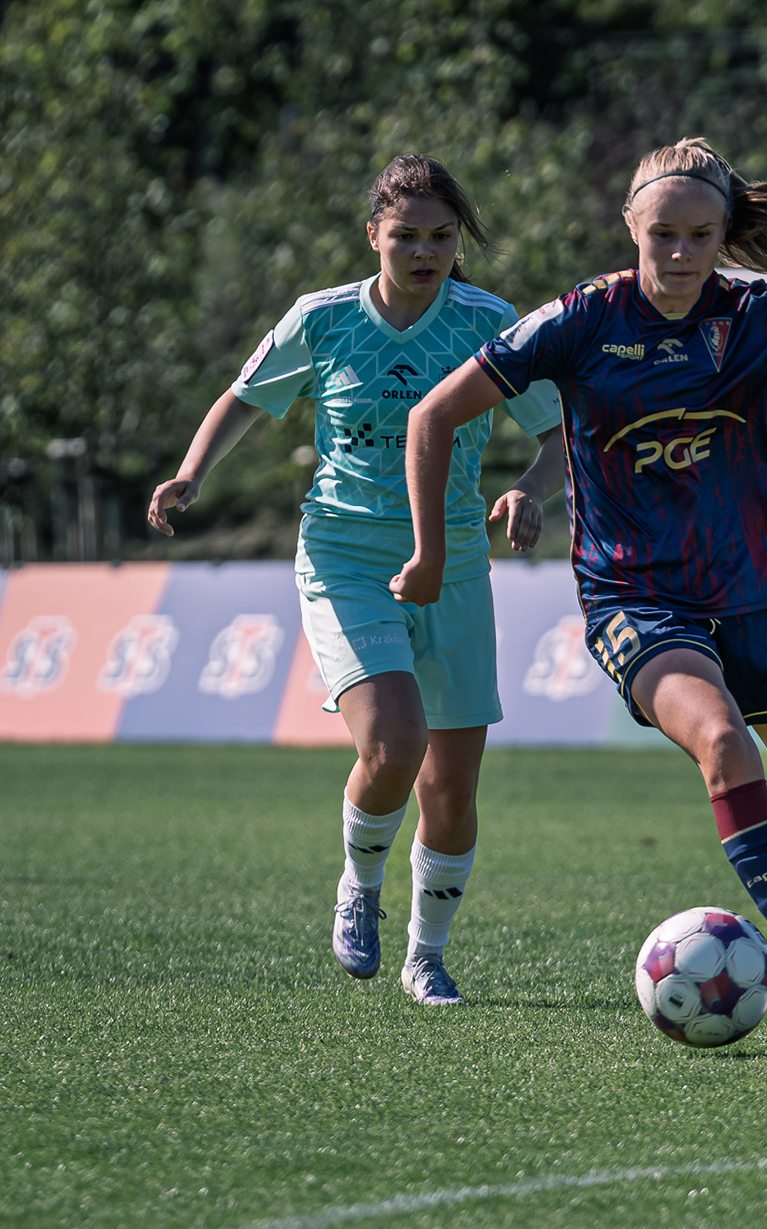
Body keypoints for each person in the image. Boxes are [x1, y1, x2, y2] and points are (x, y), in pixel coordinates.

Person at [392, 138, 767, 1049]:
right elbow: (432, 414)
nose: (680, 253)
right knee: (722, 742)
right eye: (663, 234)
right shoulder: (579, 319)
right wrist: (430, 553)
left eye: (701, 235)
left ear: (723, 236)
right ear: (630, 227)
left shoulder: (754, 314)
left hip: (755, 594)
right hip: (635, 599)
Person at [147, 155, 566, 1006]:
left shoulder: (490, 323)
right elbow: (244, 397)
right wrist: (193, 470)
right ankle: (359, 886)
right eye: (406, 235)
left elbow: (560, 433)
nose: (425, 251)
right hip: (346, 559)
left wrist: (530, 489)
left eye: (441, 236)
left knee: (450, 789)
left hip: (454, 565)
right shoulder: (323, 318)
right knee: (394, 742)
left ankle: (427, 957)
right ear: (373, 234)